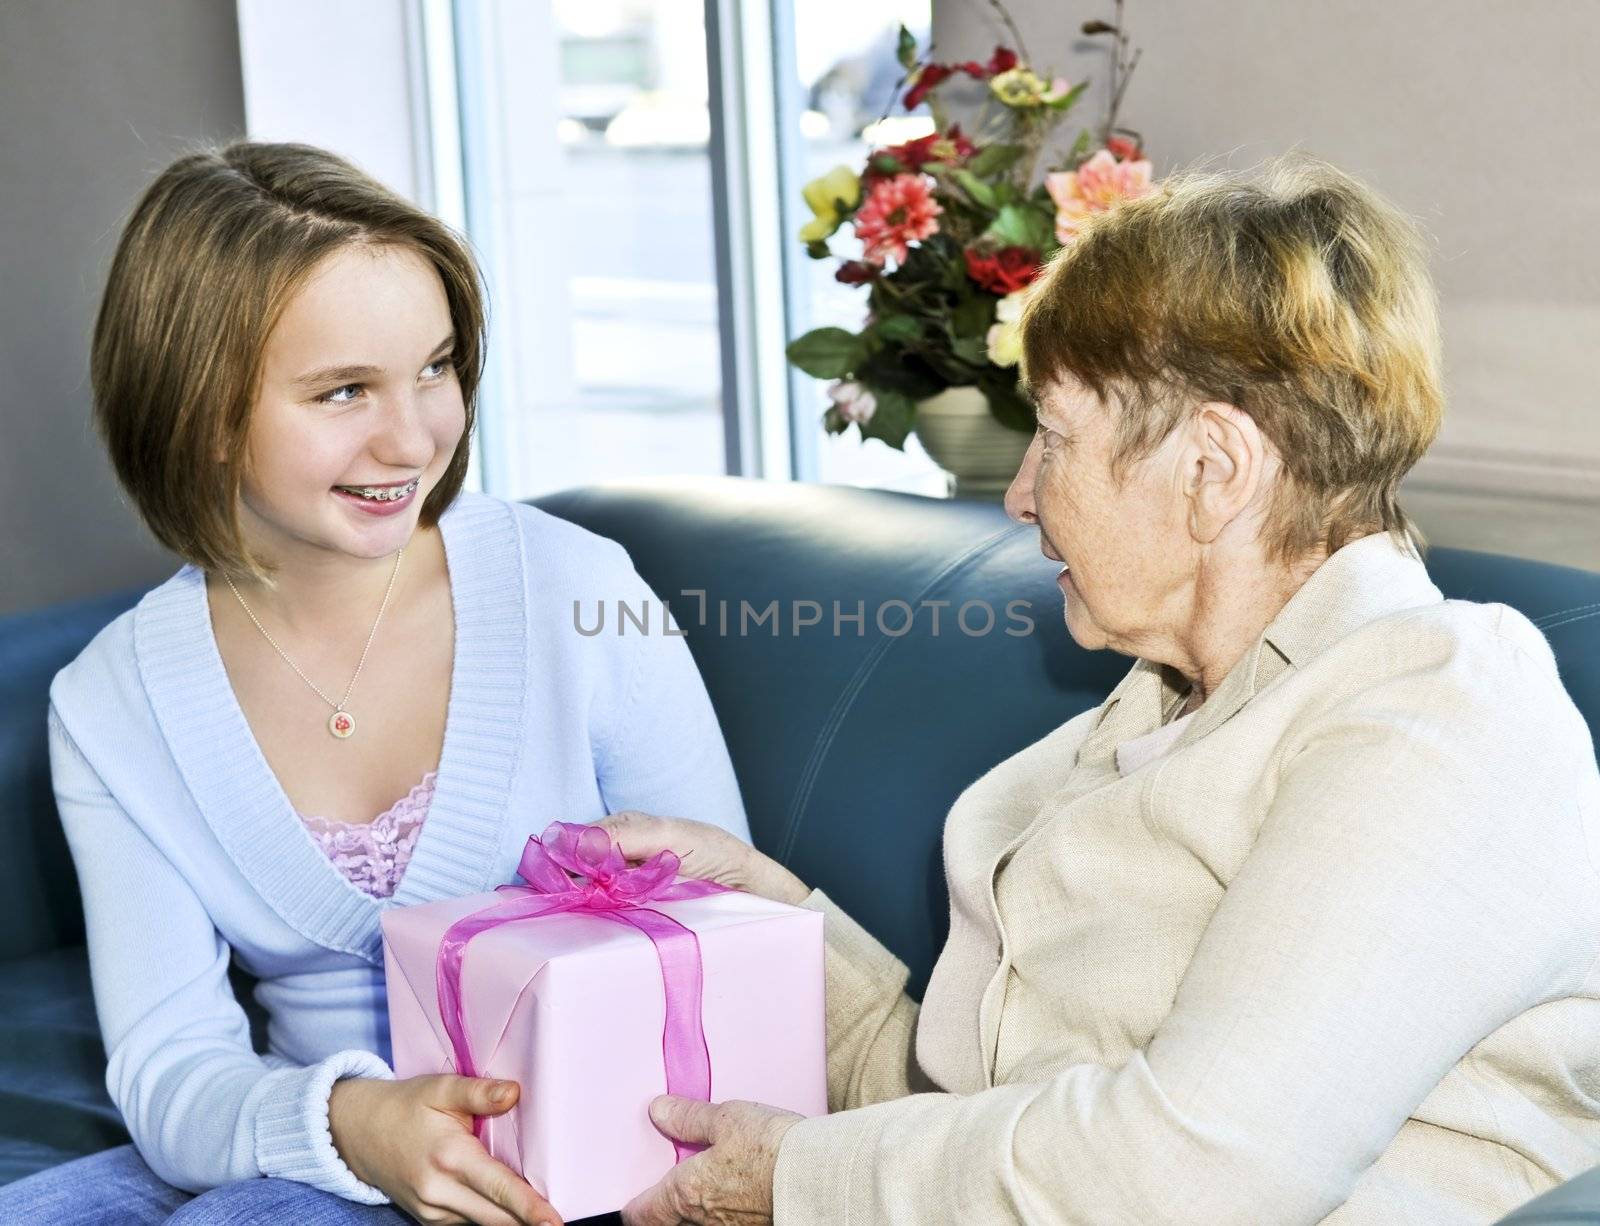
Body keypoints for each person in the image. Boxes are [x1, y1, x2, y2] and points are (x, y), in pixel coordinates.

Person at [597, 154, 1600, 1225]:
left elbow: (1193, 1174)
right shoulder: (1153, 708)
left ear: (1214, 467)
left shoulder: (1437, 709)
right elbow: (964, 1122)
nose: (1022, 496)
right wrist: (762, 907)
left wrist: (796, 1180)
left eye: (1056, 436)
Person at [0, 140, 749, 1226]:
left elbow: (727, 925)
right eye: (344, 389)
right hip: (316, 1146)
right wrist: (355, 1121)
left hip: (592, 1154)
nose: (414, 437)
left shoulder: (580, 590)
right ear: (199, 412)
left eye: (436, 367)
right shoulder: (114, 705)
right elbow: (171, 1070)